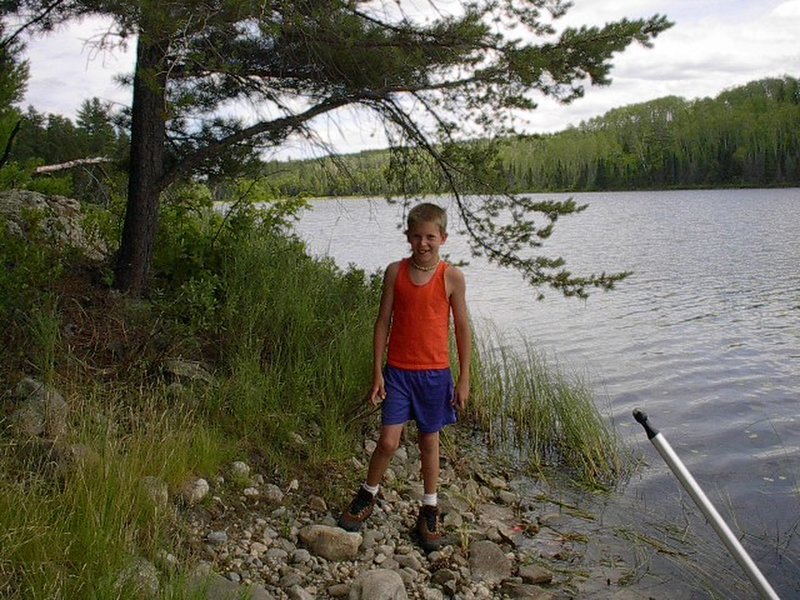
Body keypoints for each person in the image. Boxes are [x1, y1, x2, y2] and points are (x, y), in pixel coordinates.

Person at [338, 202, 472, 552]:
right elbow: (383, 321)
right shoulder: (395, 272)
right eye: (417, 236)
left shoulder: (451, 277)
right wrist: (377, 372)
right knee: (388, 442)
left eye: (431, 236)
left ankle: (429, 507)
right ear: (408, 237)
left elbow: (462, 328)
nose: (423, 243)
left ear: (443, 237)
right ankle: (368, 494)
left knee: (430, 441)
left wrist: (464, 378)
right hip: (398, 373)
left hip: (434, 375)